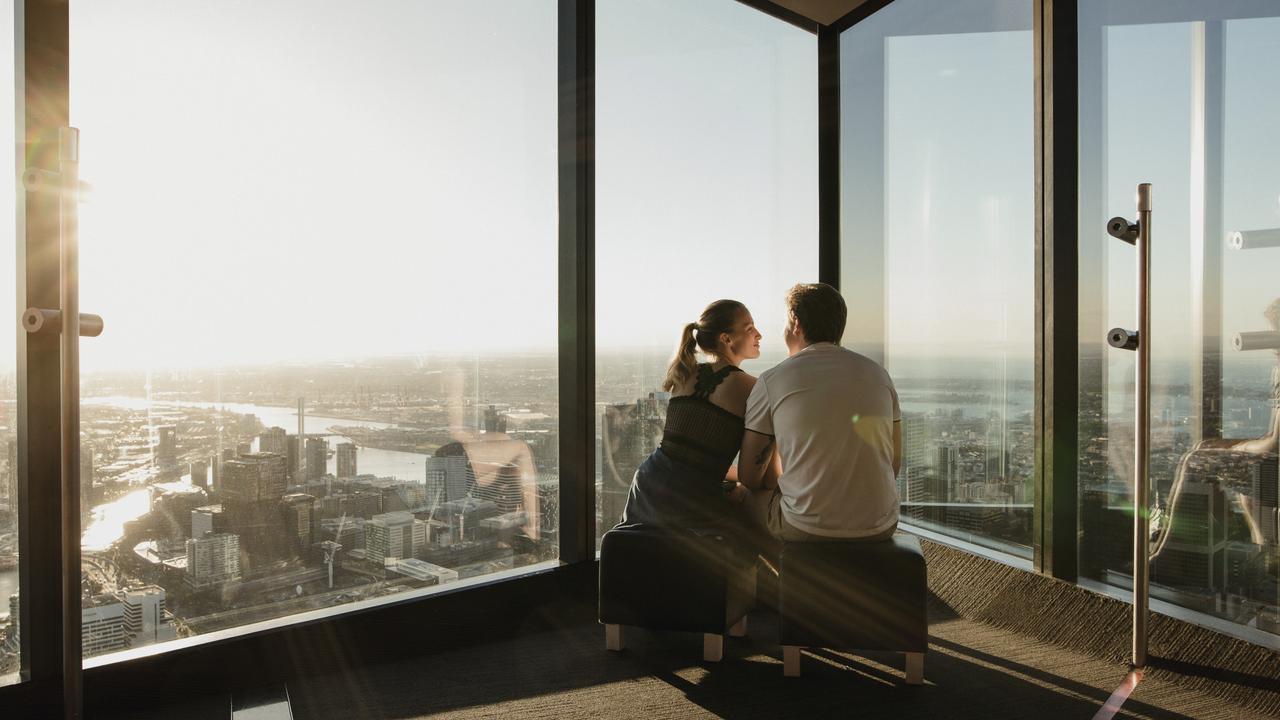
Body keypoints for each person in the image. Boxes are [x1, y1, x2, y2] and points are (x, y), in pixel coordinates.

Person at [738, 282, 902, 554]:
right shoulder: (878, 375)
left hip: (805, 528)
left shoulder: (773, 380)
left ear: (796, 323)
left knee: (743, 497)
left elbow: (749, 477)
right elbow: (893, 465)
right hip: (881, 525)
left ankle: (767, 588)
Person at [618, 299, 765, 531]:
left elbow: (691, 456)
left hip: (648, 484)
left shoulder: (684, 374)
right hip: (690, 497)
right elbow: (751, 474)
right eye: (750, 329)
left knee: (641, 557)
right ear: (726, 339)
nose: (759, 334)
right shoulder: (752, 387)